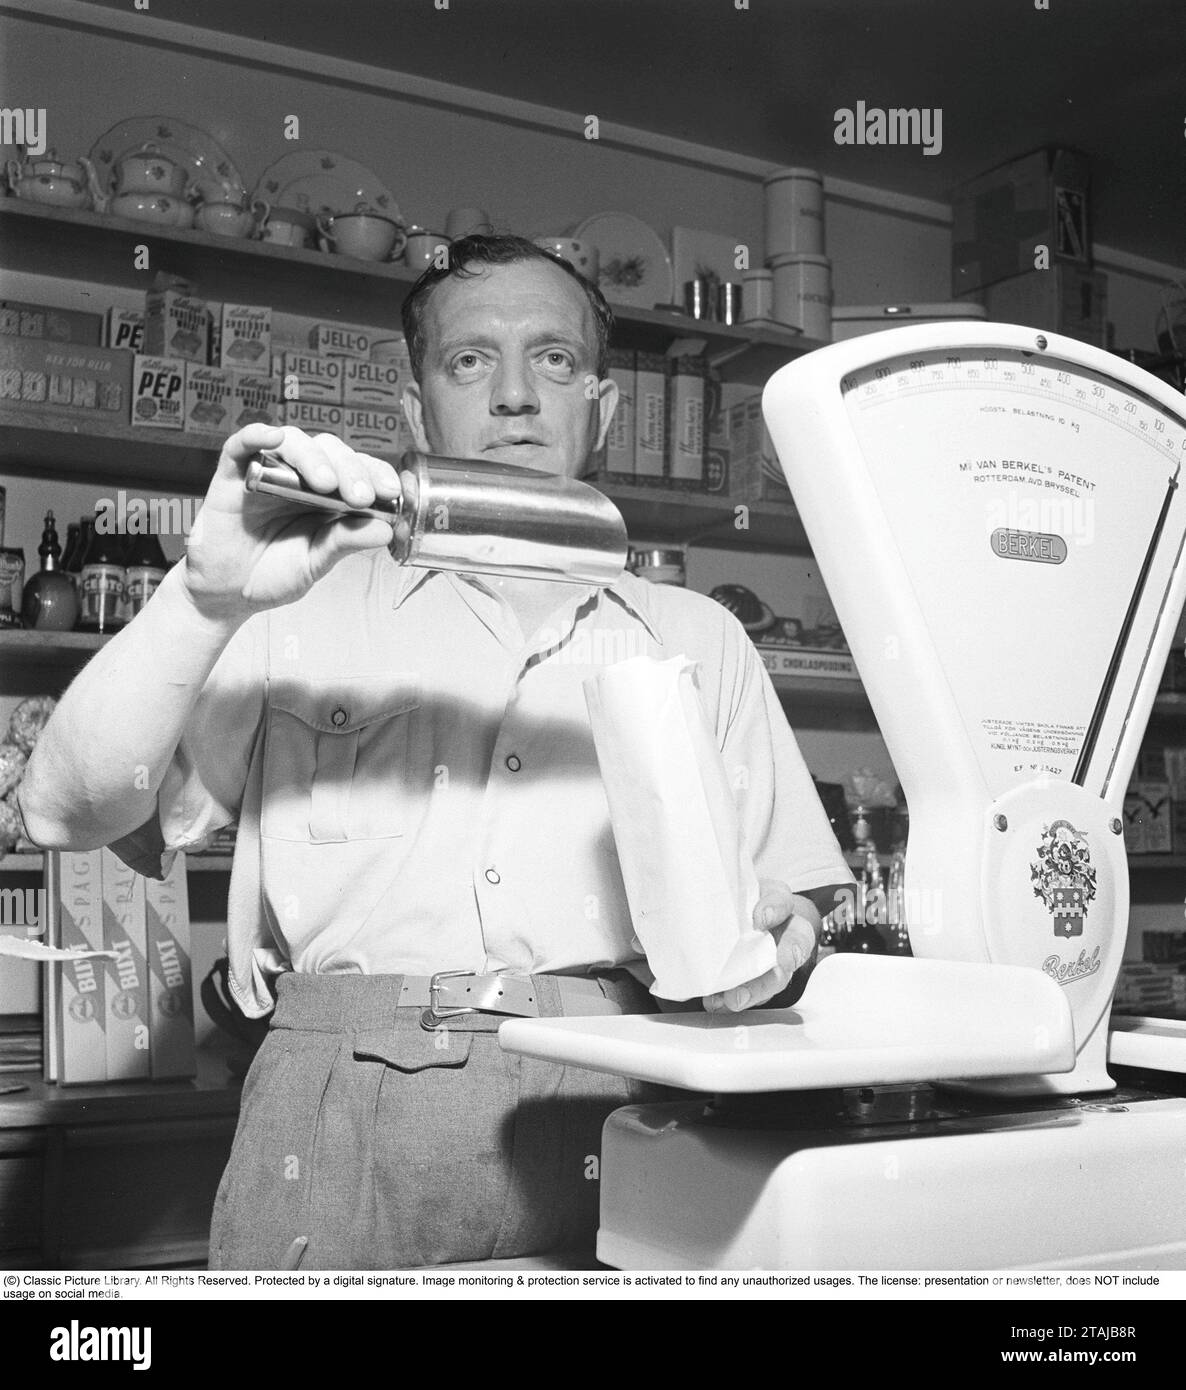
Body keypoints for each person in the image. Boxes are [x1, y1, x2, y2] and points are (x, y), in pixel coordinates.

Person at [18, 235, 853, 1269]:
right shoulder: (295, 603)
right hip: (338, 1119)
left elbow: (788, 920)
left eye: (551, 359)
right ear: (415, 411)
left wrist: (772, 946)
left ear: (601, 405)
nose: (512, 395)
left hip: (631, 1105)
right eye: (469, 361)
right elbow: (66, 814)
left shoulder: (700, 637)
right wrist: (201, 596)